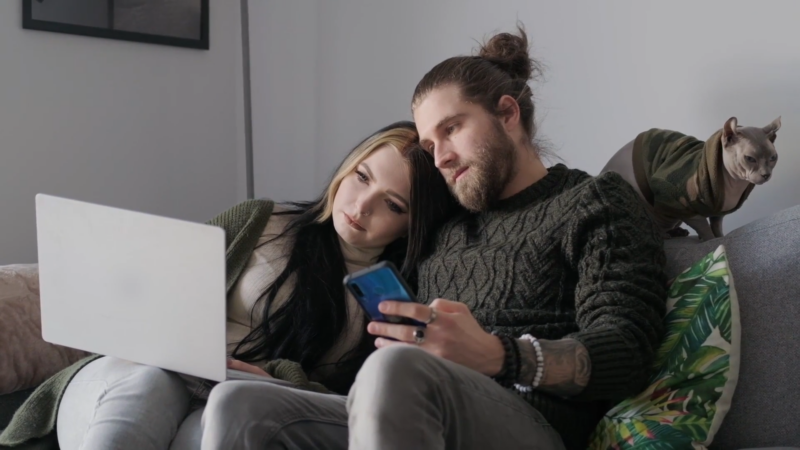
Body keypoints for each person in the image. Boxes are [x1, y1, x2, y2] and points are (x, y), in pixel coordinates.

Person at [193, 24, 668, 450]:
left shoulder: (595, 202)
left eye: (452, 129)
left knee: (400, 368)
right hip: (409, 406)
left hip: (529, 422)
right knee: (241, 403)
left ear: (507, 114)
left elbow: (626, 350)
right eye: (428, 143)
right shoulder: (444, 226)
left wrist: (499, 355)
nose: (439, 157)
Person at [0, 121, 460, 450]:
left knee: (202, 434)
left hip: (234, 400)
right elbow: (158, 290)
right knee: (149, 387)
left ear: (411, 226)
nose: (362, 205)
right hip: (137, 373)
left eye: (393, 204)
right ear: (348, 166)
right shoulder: (261, 220)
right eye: (361, 177)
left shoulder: (386, 300)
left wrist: (274, 379)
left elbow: (351, 405)